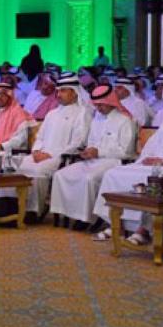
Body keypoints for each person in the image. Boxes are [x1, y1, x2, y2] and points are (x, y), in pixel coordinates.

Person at [91, 84, 163, 243]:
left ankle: (143, 229)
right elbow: (151, 145)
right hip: (154, 164)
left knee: (156, 178)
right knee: (114, 173)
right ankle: (118, 224)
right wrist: (145, 159)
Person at [49, 85, 136, 230]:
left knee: (88, 178)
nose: (98, 108)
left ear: (110, 101)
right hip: (92, 160)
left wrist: (99, 152)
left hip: (113, 162)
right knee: (61, 175)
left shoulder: (125, 121)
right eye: (96, 105)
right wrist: (88, 152)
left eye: (101, 104)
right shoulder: (97, 119)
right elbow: (91, 143)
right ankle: (66, 213)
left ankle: (86, 218)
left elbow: (126, 151)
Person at [13, 77, 90, 217]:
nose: (59, 94)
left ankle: (35, 210)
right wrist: (36, 151)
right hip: (41, 154)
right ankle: (18, 207)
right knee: (21, 166)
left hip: (62, 157)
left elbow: (78, 142)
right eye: (58, 91)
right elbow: (40, 137)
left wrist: (51, 155)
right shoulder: (52, 113)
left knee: (38, 170)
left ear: (75, 93)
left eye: (63, 91)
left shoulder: (83, 113)